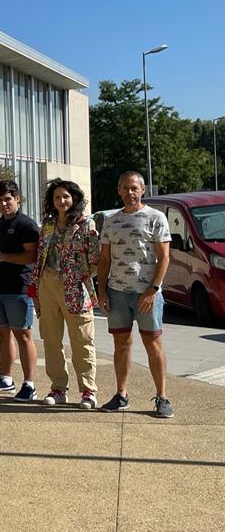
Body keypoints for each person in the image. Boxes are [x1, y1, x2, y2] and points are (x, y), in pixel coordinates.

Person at [96, 171, 173, 417]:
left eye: (134, 188)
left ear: (142, 190)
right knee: (121, 345)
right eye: (125, 188)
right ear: (119, 190)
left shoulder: (155, 218)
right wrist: (102, 291)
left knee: (153, 344)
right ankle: (121, 395)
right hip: (117, 292)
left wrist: (153, 290)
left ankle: (162, 397)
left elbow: (164, 258)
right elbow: (104, 258)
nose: (130, 192)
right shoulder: (111, 220)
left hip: (146, 294)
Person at [29, 179, 101, 409]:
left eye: (66, 197)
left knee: (82, 339)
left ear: (75, 199)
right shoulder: (48, 225)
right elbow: (40, 255)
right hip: (47, 282)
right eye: (57, 197)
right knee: (51, 339)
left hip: (75, 286)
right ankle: (58, 388)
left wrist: (78, 274)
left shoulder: (85, 224)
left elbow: (96, 259)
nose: (61, 201)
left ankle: (88, 390)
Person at [0, 180, 41, 400]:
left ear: (17, 199)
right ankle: (6, 379)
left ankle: (30, 384)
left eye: (8, 199)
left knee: (23, 335)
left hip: (20, 288)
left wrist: (3, 257)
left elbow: (32, 256)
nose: (4, 203)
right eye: (0, 200)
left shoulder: (27, 225)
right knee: (3, 334)